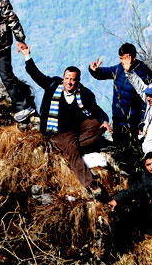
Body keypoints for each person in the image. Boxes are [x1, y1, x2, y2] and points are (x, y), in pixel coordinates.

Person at [20, 46, 111, 190]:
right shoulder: (52, 85)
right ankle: (90, 183)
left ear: (77, 81)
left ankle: (69, 147)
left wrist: (104, 120)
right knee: (73, 150)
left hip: (76, 128)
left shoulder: (84, 94)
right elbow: (36, 75)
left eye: (72, 80)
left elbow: (95, 109)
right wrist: (27, 55)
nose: (69, 82)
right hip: (58, 131)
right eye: (67, 78)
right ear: (63, 78)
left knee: (97, 125)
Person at [89, 43, 152, 154]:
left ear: (133, 57)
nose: (123, 61)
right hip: (118, 120)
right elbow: (104, 73)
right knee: (119, 151)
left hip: (133, 123)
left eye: (125, 58)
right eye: (121, 58)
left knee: (133, 153)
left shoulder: (144, 73)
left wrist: (142, 124)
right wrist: (94, 70)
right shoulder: (119, 69)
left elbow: (147, 102)